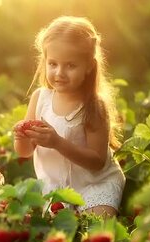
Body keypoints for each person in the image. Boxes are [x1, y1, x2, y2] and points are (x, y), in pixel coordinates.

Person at [13, 16, 125, 217]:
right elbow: (25, 152)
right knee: (58, 235)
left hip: (95, 185)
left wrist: (57, 142)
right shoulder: (40, 99)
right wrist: (21, 137)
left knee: (96, 230)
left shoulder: (94, 106)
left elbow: (97, 161)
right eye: (53, 64)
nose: (59, 73)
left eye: (71, 66)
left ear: (89, 66)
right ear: (44, 61)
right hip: (57, 192)